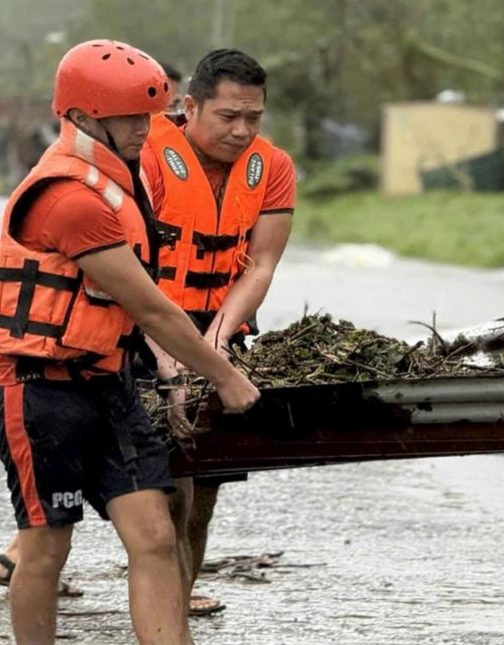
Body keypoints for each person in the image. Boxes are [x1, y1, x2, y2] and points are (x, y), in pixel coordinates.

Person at [0, 39, 260, 644]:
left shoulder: (120, 179)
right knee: (46, 544)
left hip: (106, 383)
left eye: (150, 115)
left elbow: (131, 314)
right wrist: (223, 375)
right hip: (38, 389)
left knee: (155, 535)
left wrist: (169, 374)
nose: (147, 131)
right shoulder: (69, 198)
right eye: (131, 118)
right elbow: (147, 303)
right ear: (85, 118)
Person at [140, 48, 296, 617]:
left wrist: (216, 348)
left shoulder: (272, 165)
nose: (241, 130)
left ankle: (177, 597)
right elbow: (128, 269)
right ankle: (165, 607)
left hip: (216, 328)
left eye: (253, 117)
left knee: (204, 486)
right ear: (191, 106)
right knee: (166, 486)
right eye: (228, 116)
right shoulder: (148, 154)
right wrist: (171, 355)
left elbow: (260, 267)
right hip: (142, 324)